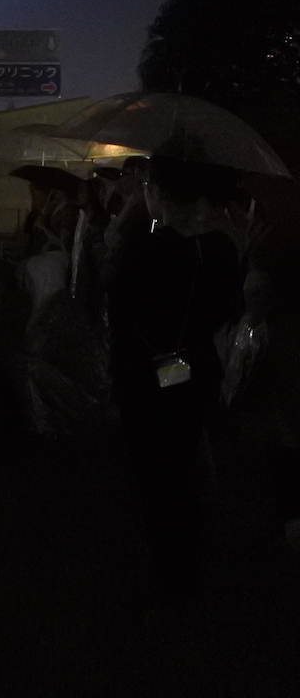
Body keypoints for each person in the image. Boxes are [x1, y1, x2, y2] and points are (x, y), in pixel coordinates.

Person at [105, 155, 243, 596]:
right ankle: (189, 563)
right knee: (182, 464)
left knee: (156, 474)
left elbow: (121, 314)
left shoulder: (146, 249)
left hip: (150, 374)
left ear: (158, 193)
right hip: (195, 367)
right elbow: (225, 311)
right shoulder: (219, 247)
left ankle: (170, 573)